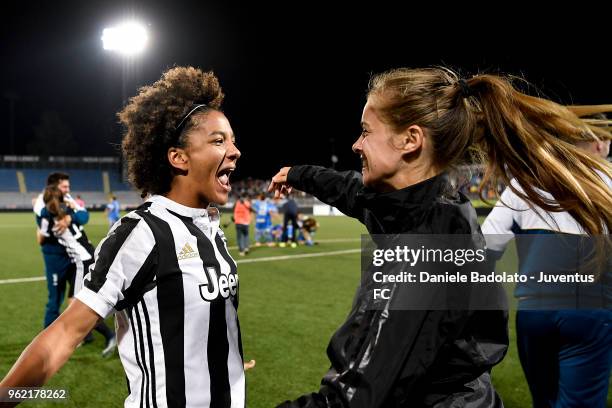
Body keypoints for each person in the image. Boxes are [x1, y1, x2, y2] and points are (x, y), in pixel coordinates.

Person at [269, 68, 611, 407]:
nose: (356, 144)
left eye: (365, 131)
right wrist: (301, 174)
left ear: (411, 140)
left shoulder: (425, 252)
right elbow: (356, 193)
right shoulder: (433, 202)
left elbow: (353, 399)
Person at [1, 66, 251, 407]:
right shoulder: (142, 232)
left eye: (233, 140)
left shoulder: (212, 231)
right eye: (219, 140)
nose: (235, 151)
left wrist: (223, 367)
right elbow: (63, 335)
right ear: (178, 158)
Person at [481, 110, 612, 408]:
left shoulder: (523, 183)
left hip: (533, 310)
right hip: (589, 308)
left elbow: (486, 247)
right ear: (600, 142)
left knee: (545, 401)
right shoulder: (607, 179)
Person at [38, 185, 117, 356]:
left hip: (82, 262)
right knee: (73, 303)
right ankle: (86, 336)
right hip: (88, 255)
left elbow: (42, 237)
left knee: (78, 307)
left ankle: (109, 335)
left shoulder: (47, 214)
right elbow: (83, 215)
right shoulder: (69, 211)